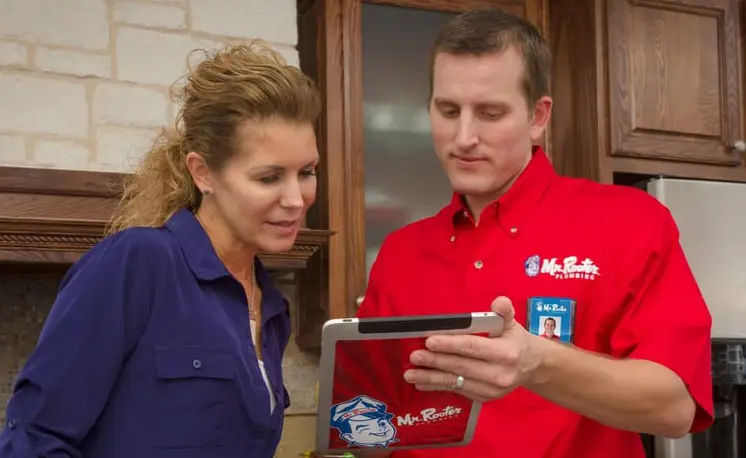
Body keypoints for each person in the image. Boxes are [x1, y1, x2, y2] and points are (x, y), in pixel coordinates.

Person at [355, 7, 713, 458]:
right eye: (448, 110)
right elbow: (366, 420)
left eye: (489, 112)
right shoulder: (400, 252)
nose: (463, 136)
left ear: (538, 116)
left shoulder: (629, 221)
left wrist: (537, 363)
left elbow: (675, 409)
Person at [0, 42, 321, 458]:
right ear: (203, 172)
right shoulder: (137, 265)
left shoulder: (271, 307)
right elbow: (33, 440)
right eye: (268, 177)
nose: (296, 199)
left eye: (307, 172)